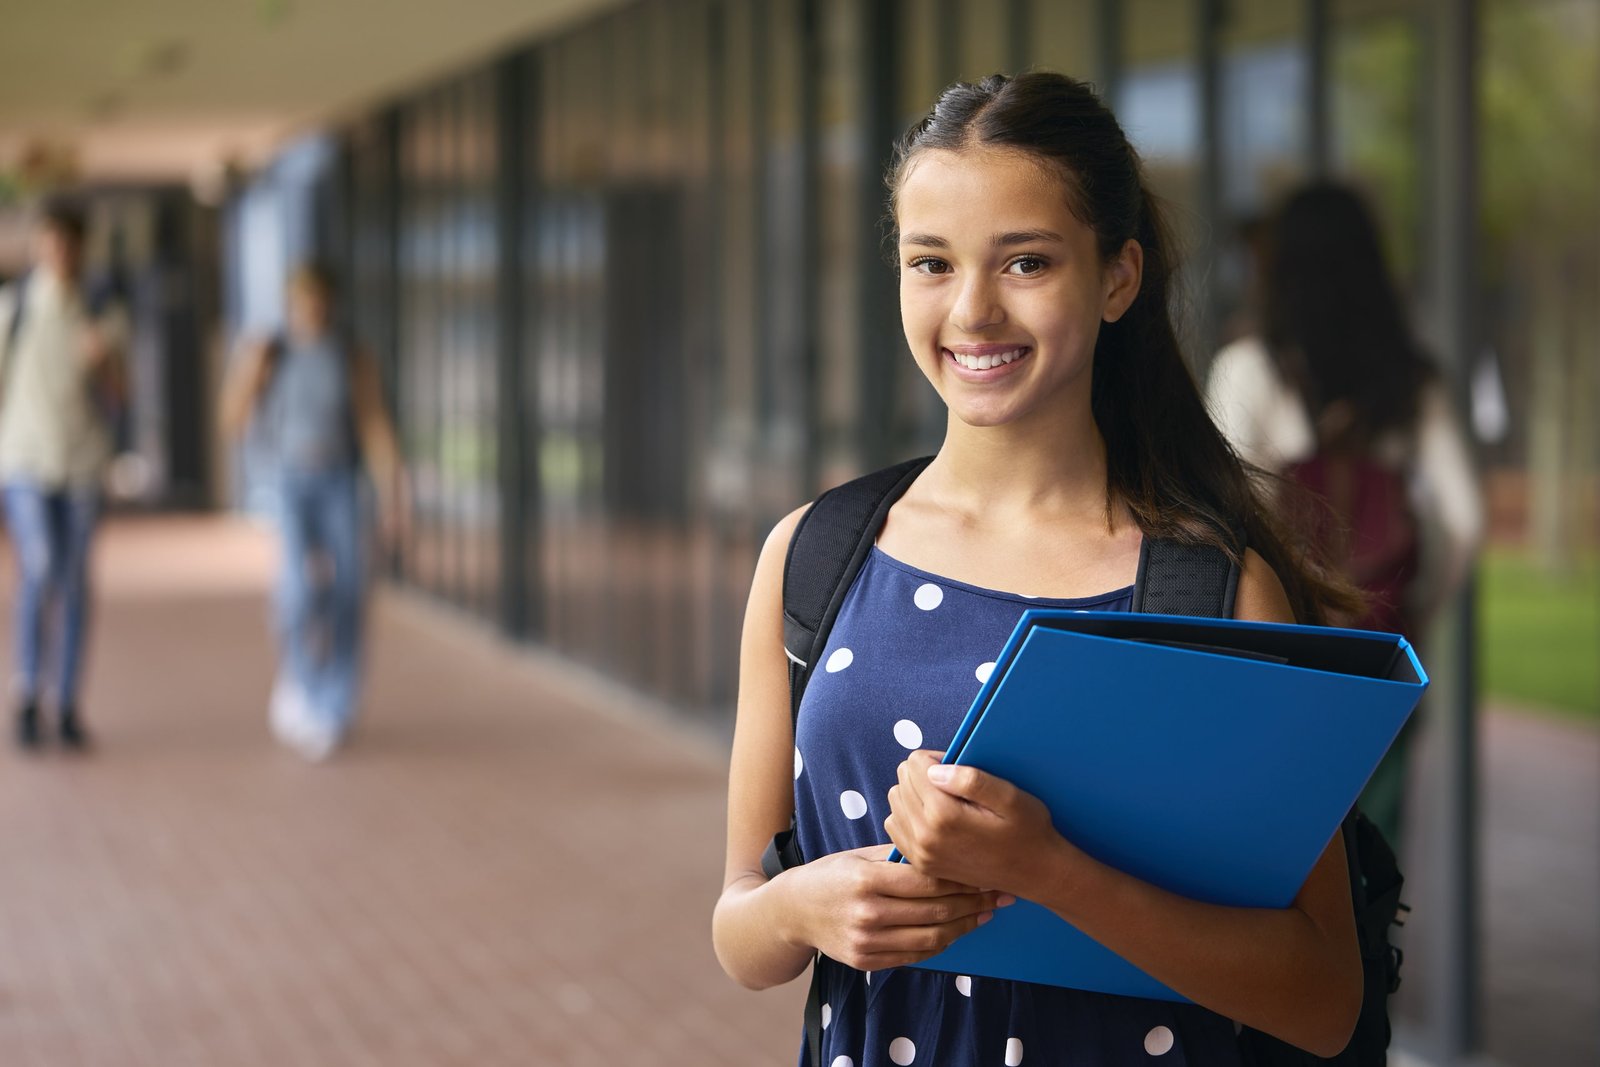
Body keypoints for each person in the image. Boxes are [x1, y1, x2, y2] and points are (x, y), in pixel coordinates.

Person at [713, 72, 1370, 1066]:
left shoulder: (1209, 592)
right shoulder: (812, 556)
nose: (972, 311)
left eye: (1024, 261)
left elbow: (1324, 1001)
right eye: (929, 262)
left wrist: (1048, 870)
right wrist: (802, 907)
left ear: (1116, 278)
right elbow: (740, 932)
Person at [1206, 182, 1483, 843]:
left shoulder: (1250, 369)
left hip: (1280, 663)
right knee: (1376, 857)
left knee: (1280, 855)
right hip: (1382, 656)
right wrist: (1412, 605)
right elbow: (1466, 519)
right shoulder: (1413, 381)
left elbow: (1225, 521)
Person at [221, 263, 406, 761]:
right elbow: (232, 420)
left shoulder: (349, 354)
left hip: (340, 479)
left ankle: (335, 705)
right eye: (304, 298)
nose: (313, 308)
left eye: (321, 298)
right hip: (289, 481)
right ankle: (300, 683)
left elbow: (373, 423)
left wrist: (392, 488)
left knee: (349, 589)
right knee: (298, 591)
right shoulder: (272, 349)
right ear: (290, 302)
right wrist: (250, 373)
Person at [0, 199, 127, 751]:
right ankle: (28, 692)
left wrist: (103, 362)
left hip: (81, 462)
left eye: (68, 244)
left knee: (74, 581)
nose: (59, 254)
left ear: (80, 249)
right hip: (24, 459)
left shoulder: (103, 313)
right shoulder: (13, 308)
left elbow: (123, 397)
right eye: (49, 243)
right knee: (41, 566)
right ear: (37, 248)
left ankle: (67, 700)